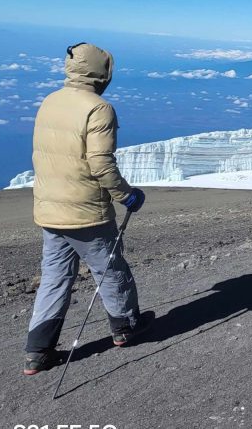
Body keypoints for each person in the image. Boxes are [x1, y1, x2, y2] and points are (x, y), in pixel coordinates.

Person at [23, 43, 151, 376]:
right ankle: (125, 328)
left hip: (50, 209)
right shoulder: (99, 109)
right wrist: (126, 195)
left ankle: (38, 351)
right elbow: (100, 162)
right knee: (110, 269)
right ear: (103, 72)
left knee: (54, 278)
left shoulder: (49, 101)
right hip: (86, 211)